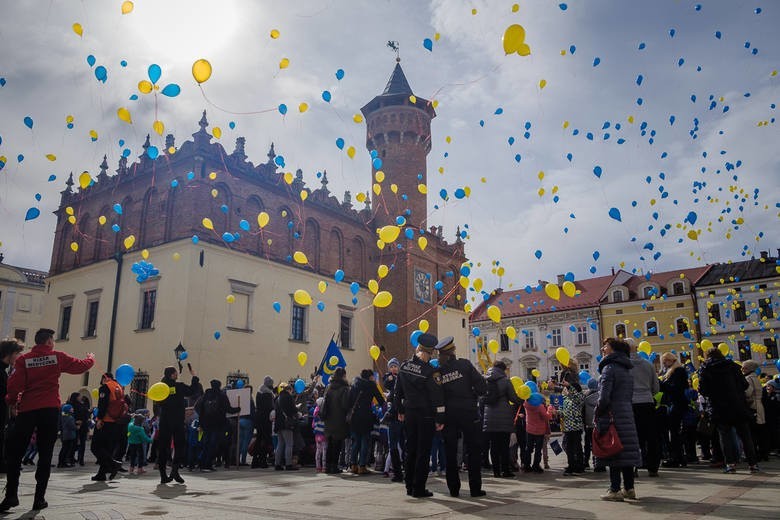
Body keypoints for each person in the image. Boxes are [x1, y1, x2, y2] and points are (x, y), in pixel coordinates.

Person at [1, 328, 94, 512]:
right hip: (50, 409)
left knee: (16, 453)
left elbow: (14, 386)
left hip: (28, 409)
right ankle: (39, 499)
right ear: (50, 341)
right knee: (45, 454)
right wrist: (91, 357)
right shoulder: (56, 357)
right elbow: (80, 366)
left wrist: (11, 402)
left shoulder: (24, 360)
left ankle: (11, 495)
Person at [395, 333, 445, 498]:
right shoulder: (431, 371)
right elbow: (437, 397)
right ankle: (419, 488)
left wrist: (400, 411)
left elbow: (397, 392)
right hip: (426, 416)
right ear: (429, 353)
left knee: (410, 450)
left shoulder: (404, 366)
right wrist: (440, 418)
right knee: (423, 452)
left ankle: (409, 486)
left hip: (409, 413)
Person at [436, 336, 487, 497]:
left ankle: (454, 489)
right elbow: (482, 387)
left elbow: (437, 396)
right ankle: (475, 488)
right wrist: (471, 395)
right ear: (453, 351)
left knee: (450, 452)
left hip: (449, 415)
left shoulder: (439, 372)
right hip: (469, 413)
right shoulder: (465, 365)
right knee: (473, 451)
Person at [698, 347, 758, 473]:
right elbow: (745, 385)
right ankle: (753, 464)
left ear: (708, 356)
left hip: (719, 406)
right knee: (746, 436)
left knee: (724, 437)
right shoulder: (734, 366)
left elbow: (702, 389)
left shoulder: (706, 368)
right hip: (737, 405)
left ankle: (730, 465)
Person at [596, 338, 641, 502]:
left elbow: (604, 396)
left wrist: (599, 411)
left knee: (613, 450)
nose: (603, 348)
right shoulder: (627, 368)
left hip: (612, 414)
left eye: (606, 346)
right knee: (626, 452)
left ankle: (614, 489)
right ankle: (629, 488)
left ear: (613, 349)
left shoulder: (609, 368)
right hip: (626, 413)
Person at [156, 365, 200, 484]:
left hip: (165, 420)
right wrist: (194, 376)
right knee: (180, 445)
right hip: (177, 421)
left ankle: (163, 475)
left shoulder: (160, 388)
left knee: (163, 448)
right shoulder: (178, 386)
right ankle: (175, 470)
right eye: (176, 373)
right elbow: (192, 390)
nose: (177, 375)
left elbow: (156, 402)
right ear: (172, 375)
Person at [482, 360, 521, 479]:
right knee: (504, 446)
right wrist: (522, 400)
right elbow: (513, 398)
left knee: (493, 446)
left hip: (489, 417)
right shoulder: (505, 381)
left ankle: (496, 471)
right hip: (504, 418)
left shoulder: (485, 380)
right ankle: (505, 470)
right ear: (503, 369)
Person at [629, 340, 660, 477]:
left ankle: (634, 466)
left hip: (630, 404)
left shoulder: (624, 366)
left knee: (633, 437)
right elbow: (656, 388)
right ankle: (653, 467)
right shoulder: (648, 364)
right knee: (651, 436)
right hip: (647, 402)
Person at [91, 372, 128, 481]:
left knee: (95, 447)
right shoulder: (119, 387)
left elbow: (102, 404)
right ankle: (101, 474)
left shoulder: (105, 387)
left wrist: (99, 419)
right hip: (115, 422)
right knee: (107, 449)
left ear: (104, 378)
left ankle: (113, 464)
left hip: (105, 421)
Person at [195, 379, 239, 471]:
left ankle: (201, 462)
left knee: (206, 443)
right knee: (214, 444)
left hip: (205, 423)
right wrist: (238, 409)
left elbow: (198, 407)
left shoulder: (205, 396)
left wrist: (202, 419)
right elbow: (229, 409)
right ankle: (208, 464)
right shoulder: (222, 396)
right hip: (218, 424)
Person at [348, 369, 385, 474]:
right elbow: (380, 400)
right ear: (370, 377)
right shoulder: (371, 385)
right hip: (366, 416)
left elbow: (350, 400)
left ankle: (353, 465)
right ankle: (362, 466)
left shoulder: (354, 384)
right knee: (365, 441)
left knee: (355, 442)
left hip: (355, 417)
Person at [659, 352, 689, 468]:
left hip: (677, 404)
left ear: (670, 360)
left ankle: (676, 457)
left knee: (674, 432)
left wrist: (661, 384)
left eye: (665, 361)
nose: (664, 364)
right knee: (675, 432)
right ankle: (679, 457)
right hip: (676, 403)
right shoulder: (676, 371)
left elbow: (675, 389)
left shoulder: (677, 372)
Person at [0, 338, 24, 472]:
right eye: (16, 353)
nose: (18, 356)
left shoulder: (4, 371)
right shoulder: (2, 372)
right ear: (8, 353)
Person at [323, 367, 350, 474]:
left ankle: (327, 466)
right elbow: (345, 405)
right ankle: (334, 466)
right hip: (339, 420)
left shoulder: (329, 387)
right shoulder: (344, 388)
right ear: (343, 376)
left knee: (329, 444)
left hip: (328, 420)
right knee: (337, 444)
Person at [382, 358, 404, 482]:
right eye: (392, 367)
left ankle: (398, 472)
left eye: (396, 366)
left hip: (396, 416)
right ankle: (396, 471)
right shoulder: (389, 378)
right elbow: (385, 384)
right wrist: (388, 380)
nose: (394, 369)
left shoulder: (400, 379)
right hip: (396, 416)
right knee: (395, 445)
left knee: (396, 445)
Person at [742, 360, 768, 461]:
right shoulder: (755, 378)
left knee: (754, 432)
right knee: (761, 431)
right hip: (759, 406)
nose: (742, 370)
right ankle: (763, 453)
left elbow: (748, 393)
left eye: (744, 368)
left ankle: (757, 454)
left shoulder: (749, 379)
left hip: (753, 407)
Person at [560, 381, 585, 475]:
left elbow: (577, 397)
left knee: (577, 447)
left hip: (576, 426)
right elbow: (563, 412)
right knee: (569, 447)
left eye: (567, 389)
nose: (565, 390)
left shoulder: (579, 397)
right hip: (567, 427)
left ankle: (579, 465)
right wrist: (557, 412)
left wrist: (570, 386)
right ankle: (571, 465)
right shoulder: (566, 399)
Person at [274, 382, 300, 470]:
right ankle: (288, 464)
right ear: (289, 390)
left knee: (280, 444)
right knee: (289, 444)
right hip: (286, 423)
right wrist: (297, 408)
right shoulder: (288, 397)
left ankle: (277, 464)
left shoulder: (277, 398)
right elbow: (292, 409)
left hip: (278, 424)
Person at [252, 376, 275, 468]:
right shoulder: (268, 394)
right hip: (265, 420)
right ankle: (262, 461)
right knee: (265, 440)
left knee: (258, 440)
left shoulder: (259, 391)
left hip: (259, 419)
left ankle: (254, 461)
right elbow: (269, 407)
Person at [67, 392, 89, 466]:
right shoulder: (72, 405)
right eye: (80, 396)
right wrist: (76, 421)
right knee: (74, 443)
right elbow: (71, 414)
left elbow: (86, 414)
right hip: (75, 425)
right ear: (76, 397)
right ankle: (71, 458)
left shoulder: (83, 404)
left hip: (83, 425)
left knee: (82, 443)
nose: (81, 397)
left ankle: (81, 459)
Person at [583, 378, 599, 469]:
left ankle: (586, 462)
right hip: (597, 424)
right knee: (597, 443)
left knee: (587, 444)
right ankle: (598, 463)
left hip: (588, 424)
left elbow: (582, 410)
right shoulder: (600, 395)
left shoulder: (585, 396)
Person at [312, 397, 327, 472]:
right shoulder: (324, 413)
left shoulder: (315, 413)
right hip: (324, 434)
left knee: (318, 450)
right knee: (324, 450)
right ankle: (324, 466)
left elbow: (313, 425)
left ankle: (318, 466)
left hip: (317, 434)